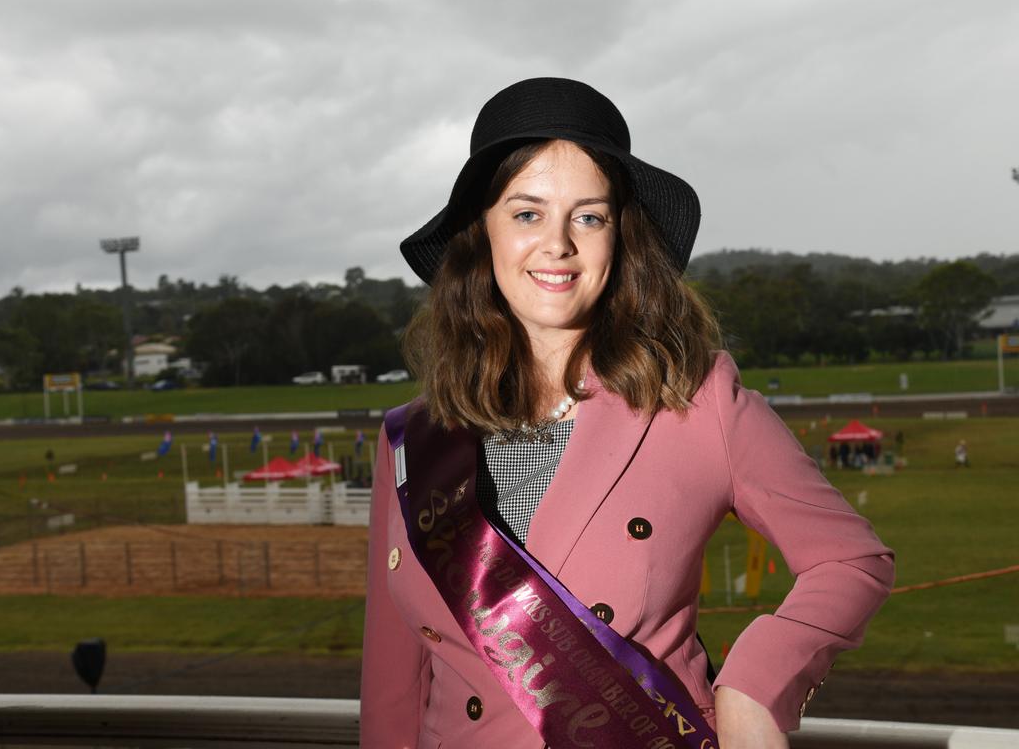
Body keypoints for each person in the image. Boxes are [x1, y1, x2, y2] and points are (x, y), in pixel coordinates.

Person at [361, 78, 894, 749]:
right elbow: (393, 688)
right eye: (527, 213)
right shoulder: (411, 442)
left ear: (619, 238)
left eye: (588, 216)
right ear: (481, 234)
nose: (558, 244)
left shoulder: (696, 402)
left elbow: (852, 560)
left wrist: (755, 681)